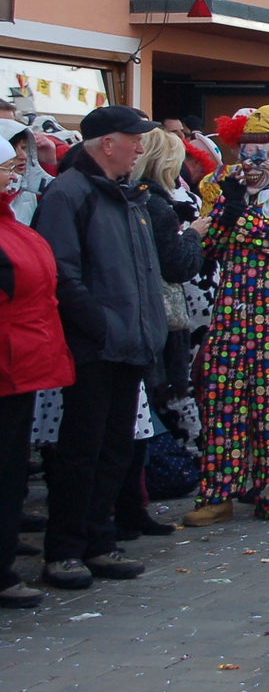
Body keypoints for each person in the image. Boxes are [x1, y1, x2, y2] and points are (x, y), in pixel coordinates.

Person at [32, 106, 168, 589]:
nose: (139, 148)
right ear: (106, 143)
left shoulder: (128, 196)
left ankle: (97, 538)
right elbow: (62, 273)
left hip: (127, 342)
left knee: (114, 449)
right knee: (80, 450)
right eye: (133, 139)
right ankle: (64, 549)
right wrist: (102, 327)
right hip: (95, 346)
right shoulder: (70, 193)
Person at [182, 106, 269, 526]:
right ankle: (217, 494)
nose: (254, 161)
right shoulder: (231, 192)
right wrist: (229, 211)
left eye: (263, 152)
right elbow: (210, 248)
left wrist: (245, 219)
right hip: (231, 318)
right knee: (223, 407)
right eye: (248, 152)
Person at [120, 128, 208, 539]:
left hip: (156, 319)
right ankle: (142, 493)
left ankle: (135, 499)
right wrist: (194, 235)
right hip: (157, 319)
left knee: (149, 408)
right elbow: (176, 263)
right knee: (153, 404)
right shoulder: (154, 204)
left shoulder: (143, 199)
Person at [0, 138, 76, 607]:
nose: (16, 173)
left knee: (10, 467)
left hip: (20, 364)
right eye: (8, 166)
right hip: (11, 359)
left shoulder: (12, 219)